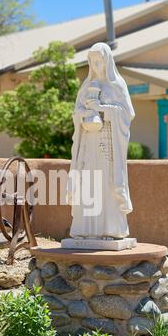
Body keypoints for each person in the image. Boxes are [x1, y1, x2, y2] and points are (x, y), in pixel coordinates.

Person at [67, 42, 135, 239]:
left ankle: (112, 230)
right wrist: (84, 113)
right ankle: (85, 230)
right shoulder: (86, 86)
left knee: (107, 184)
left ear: (107, 61)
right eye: (92, 61)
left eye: (99, 61)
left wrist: (103, 108)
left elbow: (127, 114)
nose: (96, 65)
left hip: (109, 147)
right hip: (88, 144)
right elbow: (76, 113)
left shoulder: (117, 85)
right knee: (88, 183)